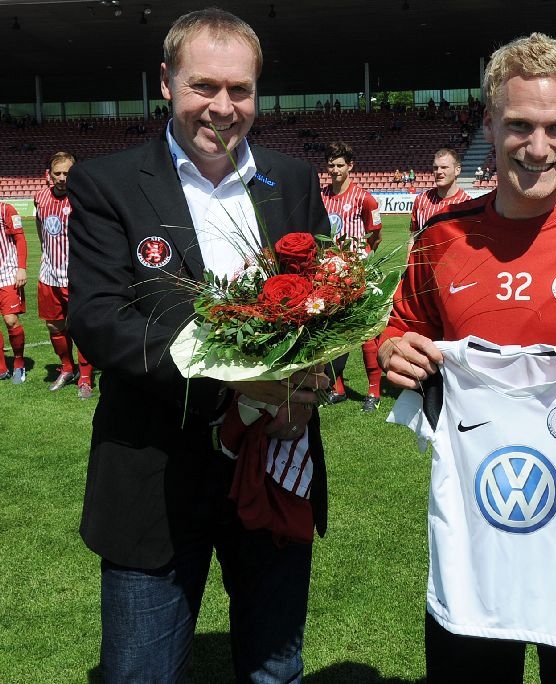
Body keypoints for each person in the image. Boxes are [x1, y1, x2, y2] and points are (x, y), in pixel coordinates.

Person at [378, 32, 556, 684]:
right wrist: (393, 352)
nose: (538, 147)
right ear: (489, 125)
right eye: (520, 125)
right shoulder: (441, 237)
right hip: (474, 531)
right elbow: (399, 331)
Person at [66, 9, 330, 681]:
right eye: (203, 86)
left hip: (275, 462)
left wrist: (316, 375)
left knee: (275, 672)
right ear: (166, 82)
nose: (223, 106)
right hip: (154, 475)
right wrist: (231, 375)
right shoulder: (106, 183)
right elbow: (98, 320)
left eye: (240, 89)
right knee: (143, 674)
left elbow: (329, 303)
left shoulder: (294, 179)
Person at [321, 141, 384, 412]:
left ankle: (374, 392)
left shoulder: (364, 198)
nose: (335, 170)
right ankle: (338, 389)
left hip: (357, 272)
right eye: (331, 165)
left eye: (339, 165)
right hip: (328, 274)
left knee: (365, 331)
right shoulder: (321, 196)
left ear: (350, 166)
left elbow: (376, 235)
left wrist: (361, 259)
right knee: (333, 331)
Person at [34, 151, 94, 397]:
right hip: (49, 274)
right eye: (57, 173)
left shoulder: (83, 199)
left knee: (81, 325)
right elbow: (40, 225)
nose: (61, 178)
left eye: (67, 173)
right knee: (54, 324)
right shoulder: (40, 197)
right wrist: (44, 250)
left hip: (76, 276)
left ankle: (86, 377)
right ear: (49, 174)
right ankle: (67, 368)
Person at [408, 147, 471, 241]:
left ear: (457, 170)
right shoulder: (421, 200)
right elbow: (414, 236)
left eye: (444, 167)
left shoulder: (468, 204)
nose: (439, 172)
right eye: (435, 168)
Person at [0, 200, 27, 384]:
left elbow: (20, 239)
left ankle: (18, 361)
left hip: (7, 273)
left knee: (11, 320)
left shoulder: (6, 209)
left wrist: (21, 268)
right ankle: (1, 368)